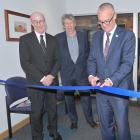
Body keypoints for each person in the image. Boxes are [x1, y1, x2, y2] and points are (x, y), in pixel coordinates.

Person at [87, 3, 135, 140]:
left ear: (115, 16)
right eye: (100, 22)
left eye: (107, 21)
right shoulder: (96, 36)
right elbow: (91, 59)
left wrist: (111, 80)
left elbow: (127, 64)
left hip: (119, 89)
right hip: (101, 91)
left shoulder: (127, 36)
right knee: (105, 125)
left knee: (122, 126)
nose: (104, 25)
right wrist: (91, 76)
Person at [19, 12, 62, 140]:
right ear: (32, 23)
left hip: (52, 82)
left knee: (52, 110)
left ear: (45, 21)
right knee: (36, 112)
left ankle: (53, 131)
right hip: (35, 83)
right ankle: (37, 136)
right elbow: (25, 63)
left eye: (41, 21)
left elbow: (58, 60)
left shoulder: (53, 39)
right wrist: (43, 78)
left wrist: (51, 76)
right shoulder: (25, 39)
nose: (39, 24)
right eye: (36, 21)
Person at [55, 14, 97, 129]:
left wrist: (90, 72)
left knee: (86, 98)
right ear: (63, 25)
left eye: (70, 23)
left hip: (82, 73)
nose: (69, 25)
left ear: (75, 23)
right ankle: (73, 121)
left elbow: (88, 54)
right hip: (66, 74)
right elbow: (56, 57)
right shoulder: (58, 38)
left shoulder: (83, 35)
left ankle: (90, 119)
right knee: (69, 100)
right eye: (66, 23)